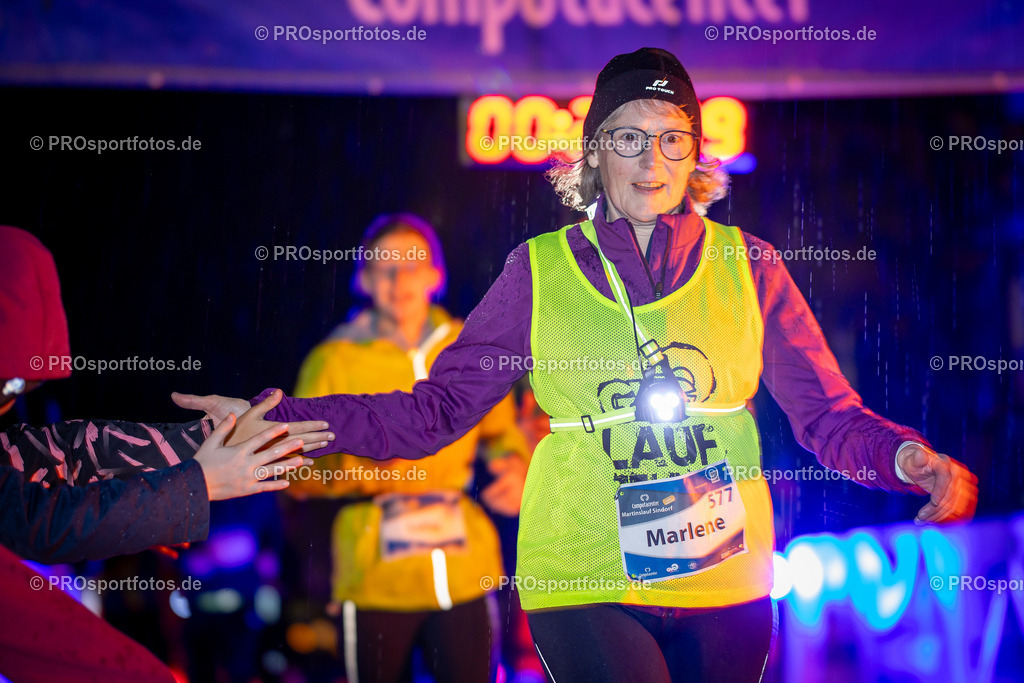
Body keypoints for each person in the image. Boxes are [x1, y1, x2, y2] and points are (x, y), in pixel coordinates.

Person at [190, 48, 978, 682]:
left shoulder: (752, 264)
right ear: (595, 151)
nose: (651, 158)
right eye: (629, 136)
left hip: (725, 576)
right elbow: (433, 412)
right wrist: (283, 419)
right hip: (581, 572)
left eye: (673, 136)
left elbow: (827, 415)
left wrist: (907, 458)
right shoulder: (536, 271)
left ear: (695, 153)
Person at [0, 225, 332, 682]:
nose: (10, 402)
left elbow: (65, 450)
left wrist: (206, 439)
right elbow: (32, 518)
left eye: (21, 386)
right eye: (9, 384)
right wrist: (196, 484)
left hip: (240, 595)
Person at [282, 213, 530, 683]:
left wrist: (514, 465)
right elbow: (296, 473)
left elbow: (500, 434)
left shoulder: (468, 344)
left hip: (465, 573)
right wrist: (376, 468)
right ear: (364, 278)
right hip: (375, 577)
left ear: (435, 276)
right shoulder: (332, 361)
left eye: (411, 265)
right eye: (384, 267)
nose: (399, 280)